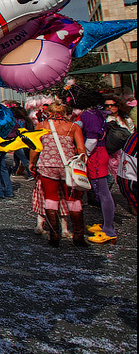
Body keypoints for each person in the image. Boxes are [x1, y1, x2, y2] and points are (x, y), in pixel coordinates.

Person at [29, 101, 88, 247]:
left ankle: (54, 236)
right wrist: (81, 162)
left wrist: (32, 162)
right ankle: (79, 236)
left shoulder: (41, 126)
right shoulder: (73, 127)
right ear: (64, 113)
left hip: (47, 165)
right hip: (68, 167)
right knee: (73, 200)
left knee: (51, 199)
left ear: (49, 113)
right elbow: (81, 149)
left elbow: (35, 148)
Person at [76, 92, 117, 244]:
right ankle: (106, 225)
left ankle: (109, 230)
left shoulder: (89, 115)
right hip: (99, 153)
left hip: (96, 155)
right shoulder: (97, 113)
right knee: (101, 191)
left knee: (103, 192)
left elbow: (92, 139)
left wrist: (83, 155)